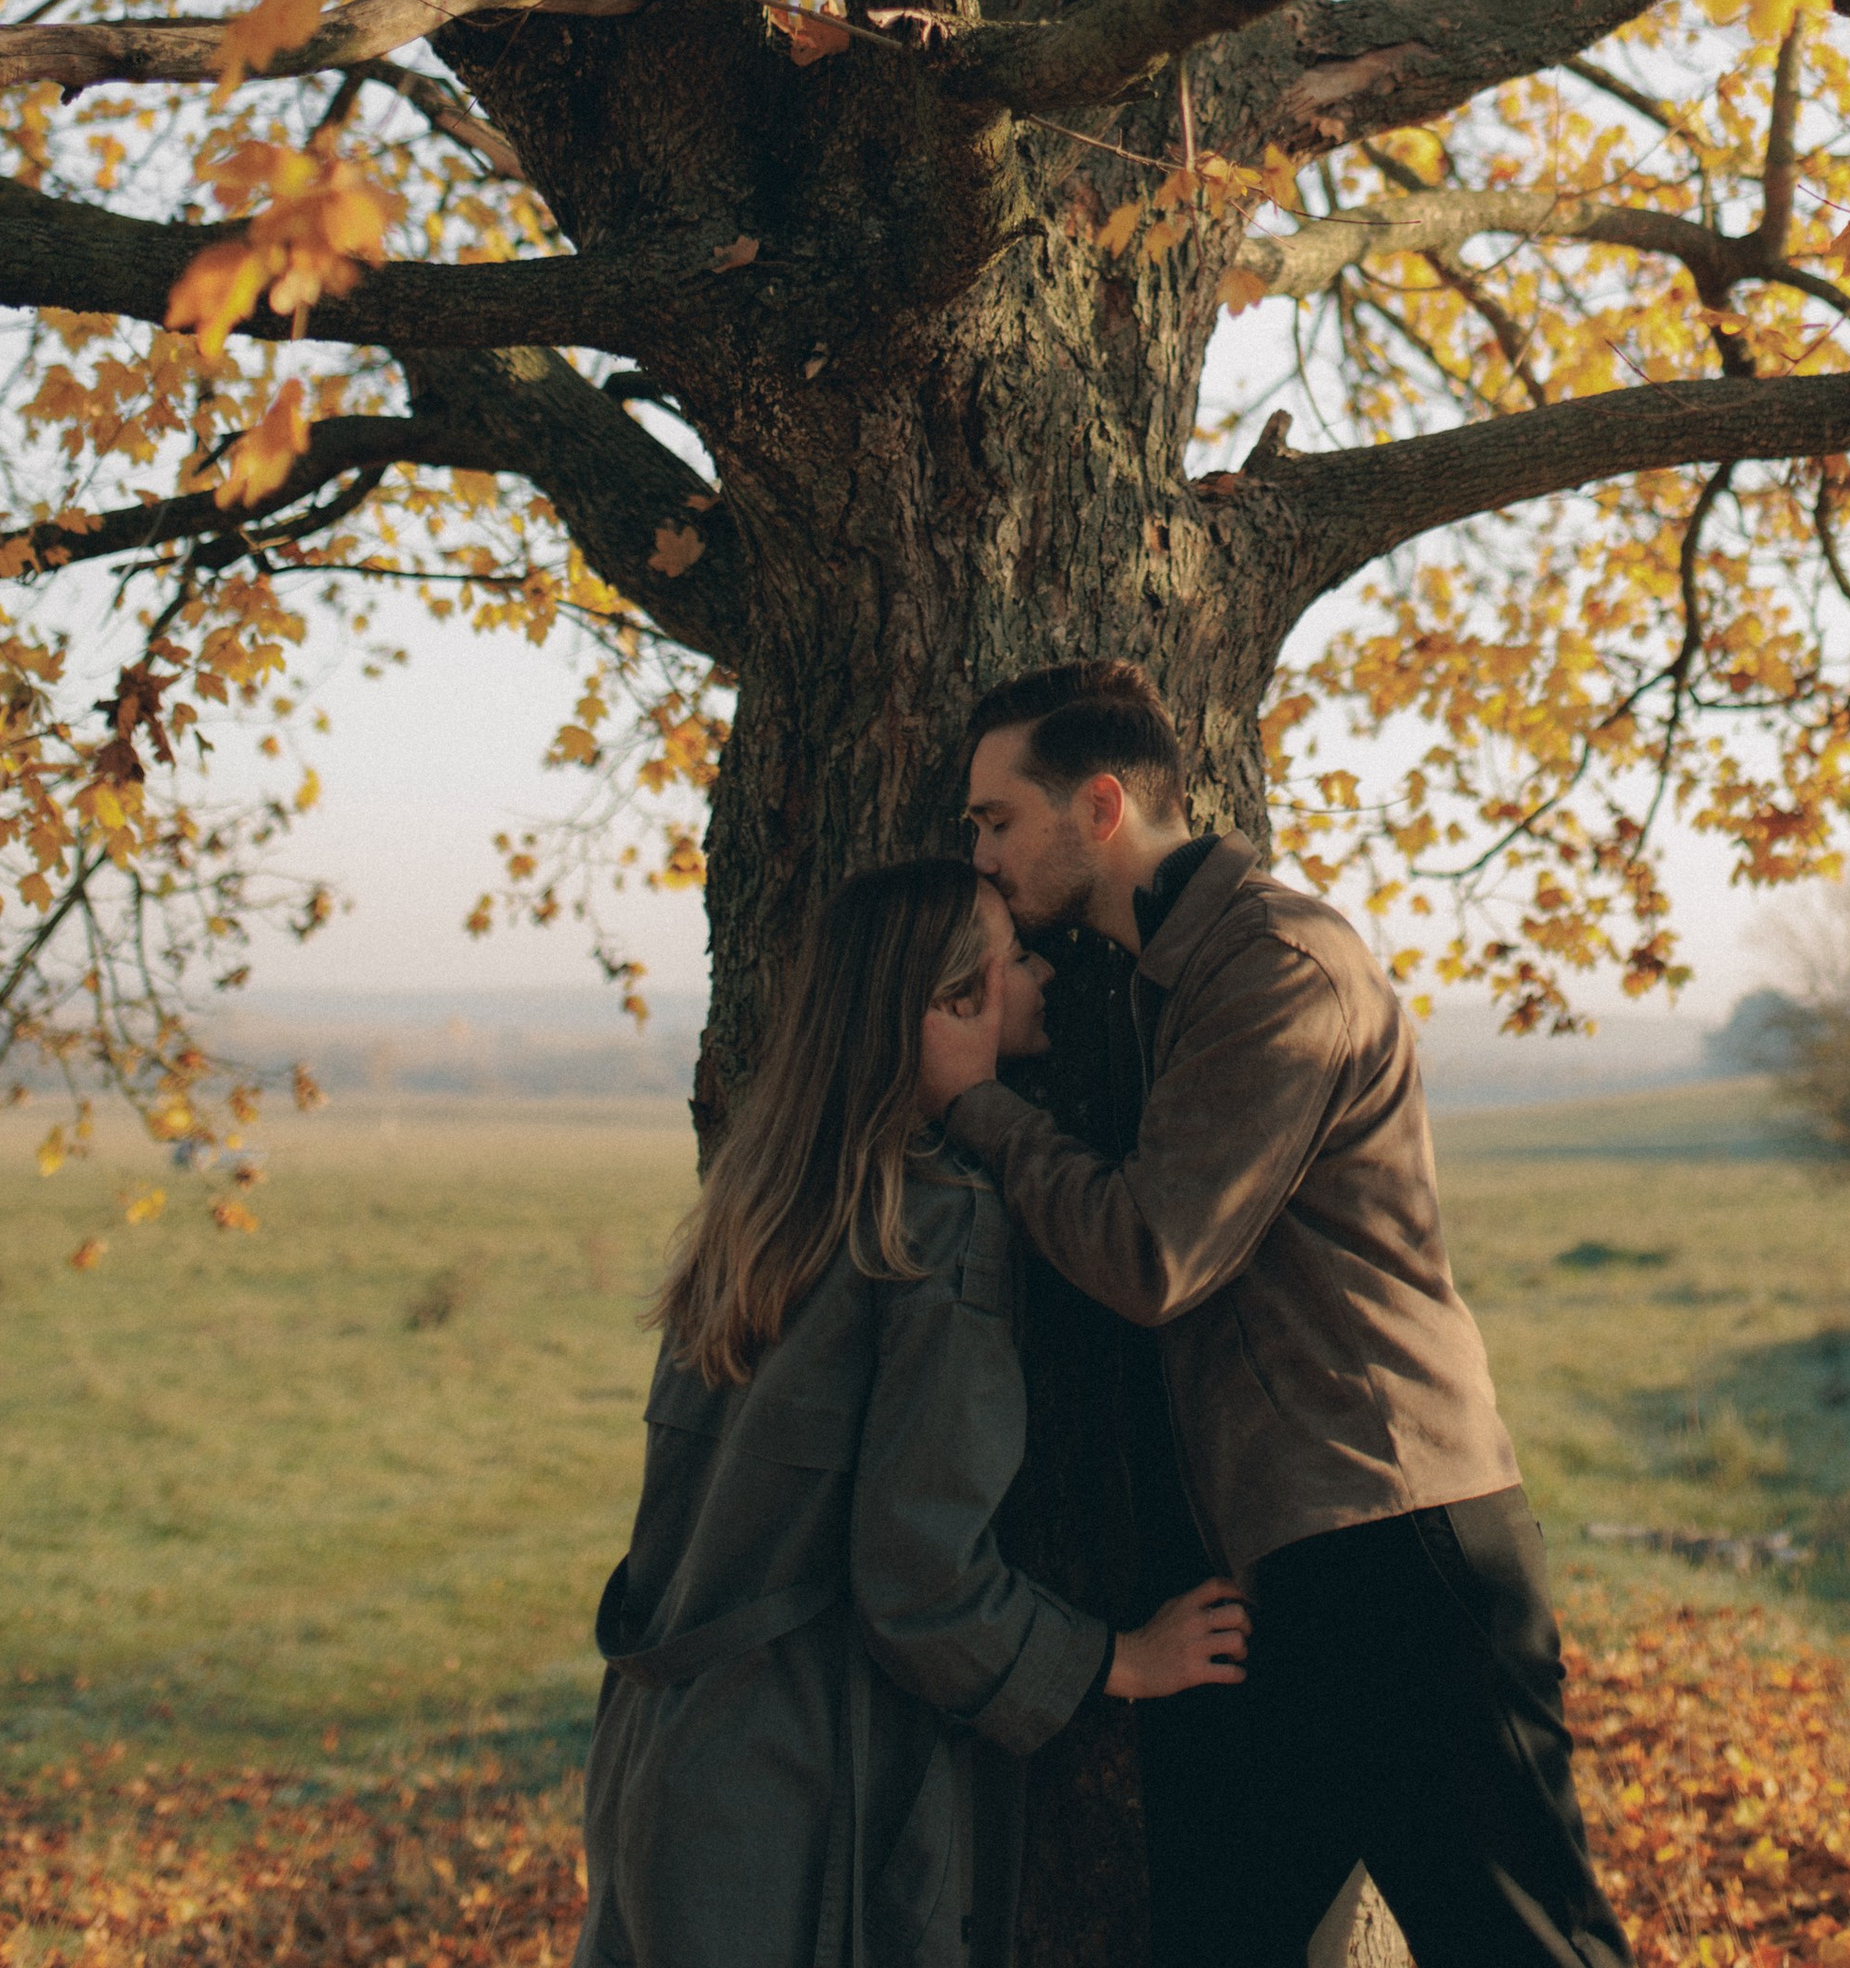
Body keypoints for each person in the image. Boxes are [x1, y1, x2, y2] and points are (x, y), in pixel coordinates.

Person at [927, 666, 1632, 1968]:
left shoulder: (1280, 967)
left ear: (1097, 807)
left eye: (994, 820)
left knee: (1523, 1947)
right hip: (1265, 1568)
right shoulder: (1156, 983)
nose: (976, 851)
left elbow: (1153, 1253)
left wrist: (972, 1105)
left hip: (1394, 1538)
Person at [578, 857, 1248, 1968]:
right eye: (1013, 958)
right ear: (951, 1006)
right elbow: (918, 1577)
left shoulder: (757, 1200)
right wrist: (1112, 1663)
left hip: (657, 1763)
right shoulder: (933, 1219)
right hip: (794, 1797)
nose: (1041, 971)